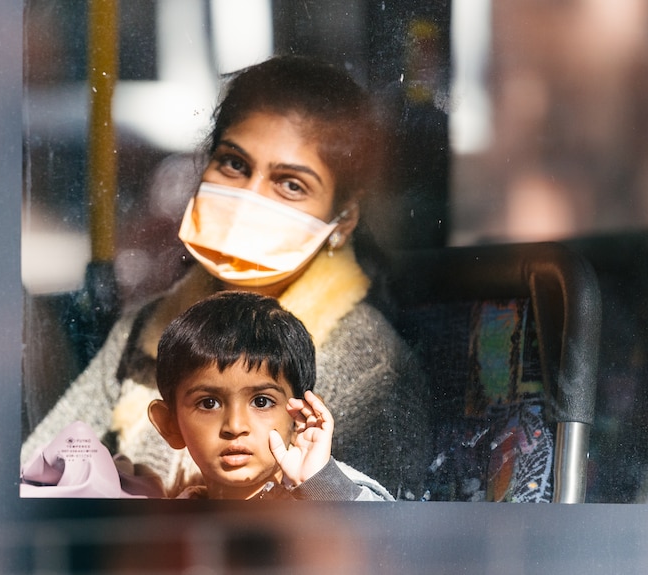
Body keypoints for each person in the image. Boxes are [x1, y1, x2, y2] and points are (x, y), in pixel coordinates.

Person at [22, 55, 430, 497]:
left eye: (291, 185)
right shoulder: (147, 326)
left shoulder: (368, 367)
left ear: (344, 219)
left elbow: (362, 537)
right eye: (234, 164)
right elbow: (36, 470)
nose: (248, 200)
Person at [148, 291, 393, 500]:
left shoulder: (334, 494)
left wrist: (321, 484)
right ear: (170, 425)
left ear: (303, 418)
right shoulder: (173, 520)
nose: (235, 426)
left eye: (261, 402)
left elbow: (395, 545)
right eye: (209, 403)